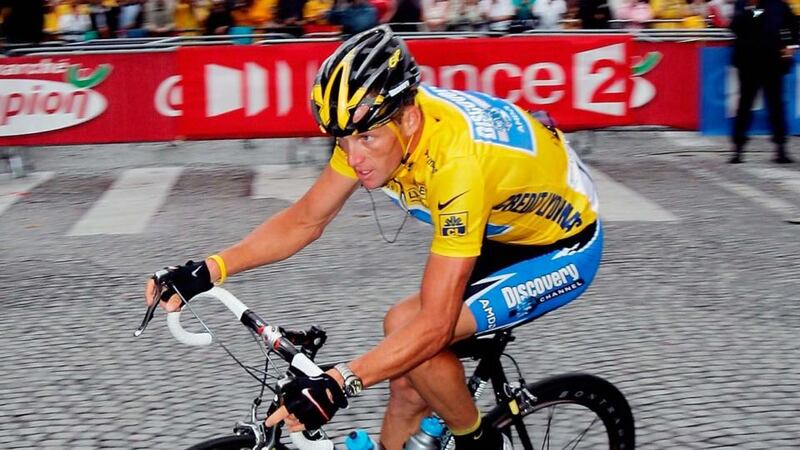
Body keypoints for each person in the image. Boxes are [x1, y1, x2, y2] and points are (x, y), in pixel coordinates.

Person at [144, 25, 603, 450]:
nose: (354, 157)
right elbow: (306, 219)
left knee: (408, 332)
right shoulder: (370, 124)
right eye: (342, 142)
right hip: (501, 219)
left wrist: (339, 382)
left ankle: (478, 441)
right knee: (407, 382)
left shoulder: (454, 165)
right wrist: (208, 270)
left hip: (560, 244)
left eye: (365, 140)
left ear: (407, 119)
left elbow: (435, 326)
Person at [729, 0, 799, 164]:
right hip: (748, 63)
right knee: (745, 105)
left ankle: (781, 148)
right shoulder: (742, 4)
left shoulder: (779, 5)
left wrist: (790, 45)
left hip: (772, 62)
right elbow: (735, 27)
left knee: (776, 105)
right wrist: (753, 10)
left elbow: (793, 26)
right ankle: (738, 148)